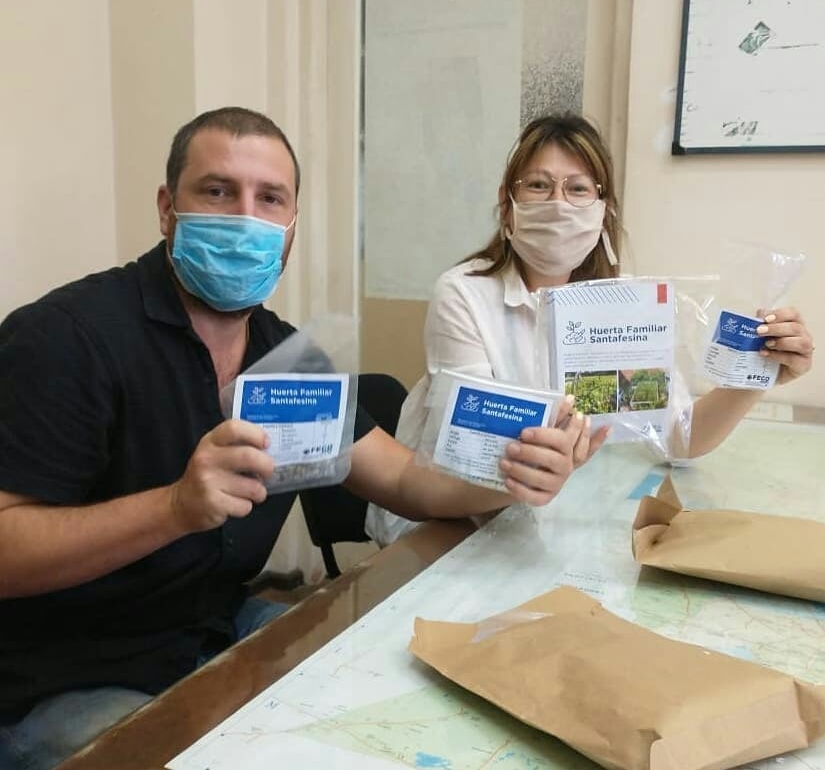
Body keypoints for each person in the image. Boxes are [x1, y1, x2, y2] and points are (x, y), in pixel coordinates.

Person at [0, 107, 589, 770]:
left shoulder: (284, 357)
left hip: (211, 630)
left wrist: (510, 474)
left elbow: (402, 479)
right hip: (62, 675)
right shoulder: (66, 339)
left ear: (291, 227)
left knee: (395, 694)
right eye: (218, 191)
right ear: (167, 209)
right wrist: (172, 508)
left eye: (270, 199)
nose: (245, 219)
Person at [365, 112, 815, 546]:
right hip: (452, 526)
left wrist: (756, 373)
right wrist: (553, 459)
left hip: (547, 523)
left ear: (603, 212)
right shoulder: (464, 294)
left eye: (578, 188)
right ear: (507, 205)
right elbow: (471, 451)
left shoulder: (621, 308)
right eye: (538, 185)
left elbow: (678, 437)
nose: (558, 204)